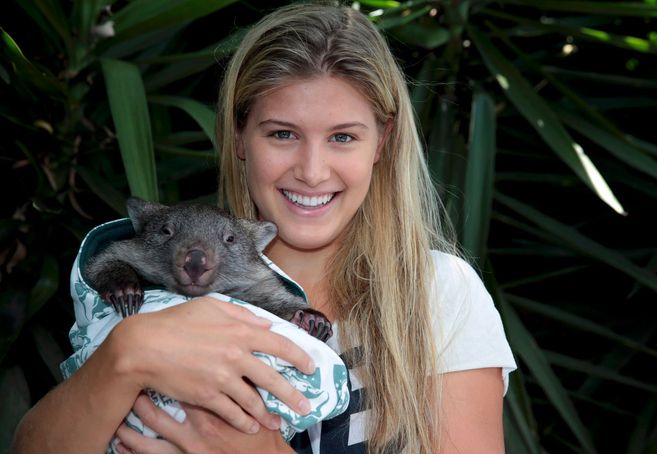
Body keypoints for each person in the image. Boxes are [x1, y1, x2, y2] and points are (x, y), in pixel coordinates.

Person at [12, 2, 516, 453]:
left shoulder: (434, 295)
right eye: (282, 134)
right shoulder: (154, 273)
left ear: (382, 142)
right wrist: (127, 353)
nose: (312, 170)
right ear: (238, 136)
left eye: (342, 137)